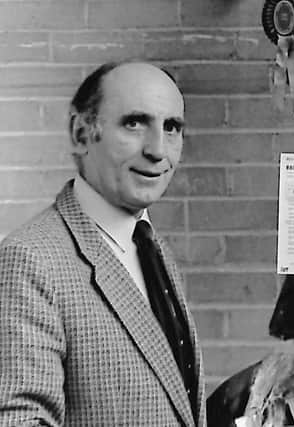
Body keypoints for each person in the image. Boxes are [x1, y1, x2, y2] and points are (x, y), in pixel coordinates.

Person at [0, 61, 205, 426]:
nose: (158, 150)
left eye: (172, 127)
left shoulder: (153, 250)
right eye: (134, 123)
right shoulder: (31, 259)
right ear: (81, 134)